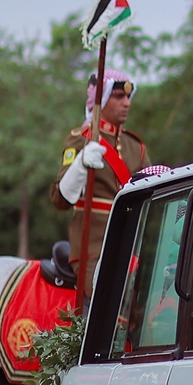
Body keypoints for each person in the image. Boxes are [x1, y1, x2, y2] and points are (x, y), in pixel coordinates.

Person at [52, 70, 152, 300]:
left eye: (128, 97)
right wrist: (80, 164)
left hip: (128, 243)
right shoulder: (82, 138)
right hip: (91, 249)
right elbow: (59, 201)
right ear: (102, 99)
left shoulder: (136, 146)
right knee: (104, 300)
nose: (126, 103)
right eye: (118, 97)